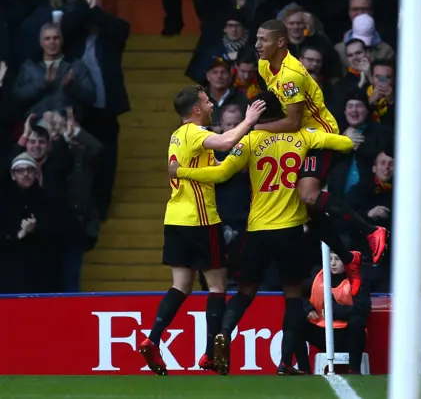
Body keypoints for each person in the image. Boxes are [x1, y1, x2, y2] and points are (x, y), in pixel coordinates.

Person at [168, 91, 357, 376]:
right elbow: (344, 143)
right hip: (291, 228)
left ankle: (224, 333)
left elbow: (220, 174)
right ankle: (284, 363)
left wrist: (182, 172)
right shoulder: (303, 136)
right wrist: (320, 138)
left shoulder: (250, 140)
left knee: (244, 292)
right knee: (293, 294)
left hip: (256, 230)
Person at [253, 19, 389, 293]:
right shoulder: (264, 65)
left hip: (318, 134)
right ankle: (350, 257)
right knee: (307, 211)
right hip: (297, 138)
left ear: (281, 42)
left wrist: (252, 127)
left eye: (263, 40)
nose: (257, 45)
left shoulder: (291, 74)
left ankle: (372, 232)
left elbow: (292, 121)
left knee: (309, 196)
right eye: (256, 39)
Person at [138, 85, 266, 376]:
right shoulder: (195, 132)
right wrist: (249, 121)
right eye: (207, 102)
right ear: (196, 110)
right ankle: (209, 353)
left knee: (180, 286)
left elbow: (214, 164)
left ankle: (152, 338)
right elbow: (224, 142)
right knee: (217, 287)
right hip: (201, 219)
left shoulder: (176, 136)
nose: (212, 106)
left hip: (174, 218)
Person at [297, 251, 371, 375]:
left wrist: (335, 311)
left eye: (337, 259)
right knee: (296, 321)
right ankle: (304, 370)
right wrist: (307, 308)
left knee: (357, 322)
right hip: (321, 332)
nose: (333, 263)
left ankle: (354, 370)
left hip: (346, 334)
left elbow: (363, 310)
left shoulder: (357, 281)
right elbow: (296, 294)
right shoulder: (317, 276)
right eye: (329, 259)